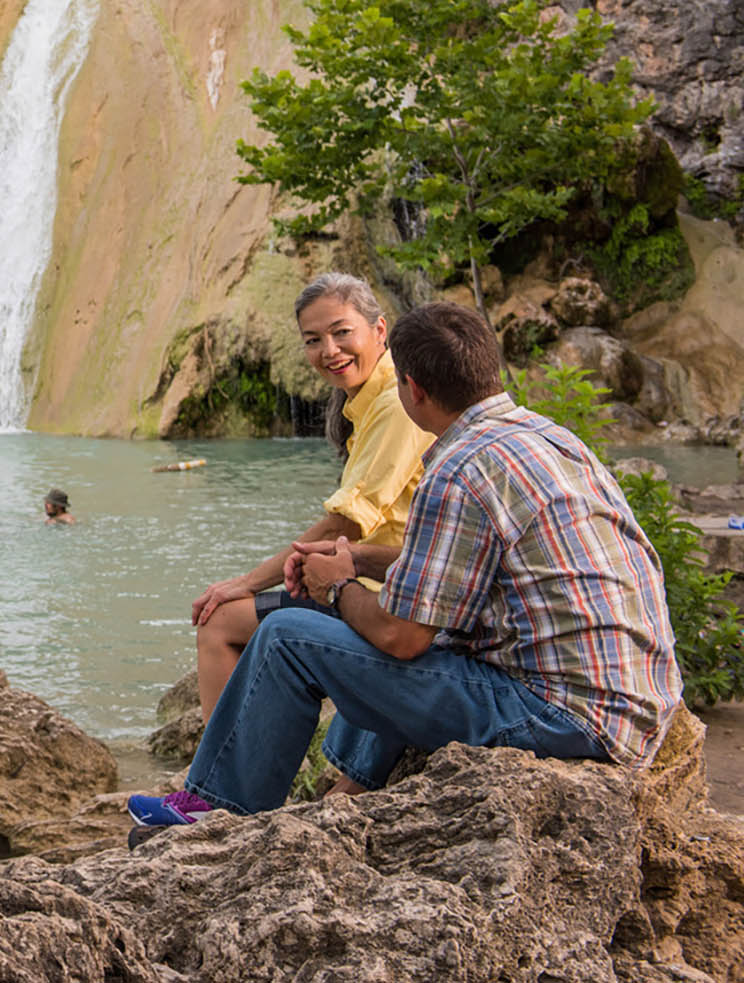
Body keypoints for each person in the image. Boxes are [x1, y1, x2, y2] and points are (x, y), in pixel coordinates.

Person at [131, 302, 682, 828]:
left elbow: (401, 638)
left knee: (288, 635)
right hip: (630, 708)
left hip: (562, 719)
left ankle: (218, 809)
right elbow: (466, 572)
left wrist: (337, 586)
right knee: (409, 622)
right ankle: (351, 787)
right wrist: (365, 556)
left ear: (413, 390)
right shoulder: (546, 438)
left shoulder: (459, 466)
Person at [187, 273, 432, 721]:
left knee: (219, 623)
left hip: (389, 597)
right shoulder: (376, 398)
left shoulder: (395, 403)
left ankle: (218, 783)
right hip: (389, 582)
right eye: (313, 340)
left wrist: (245, 583)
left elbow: (347, 524)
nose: (330, 351)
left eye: (342, 332)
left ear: (379, 331)